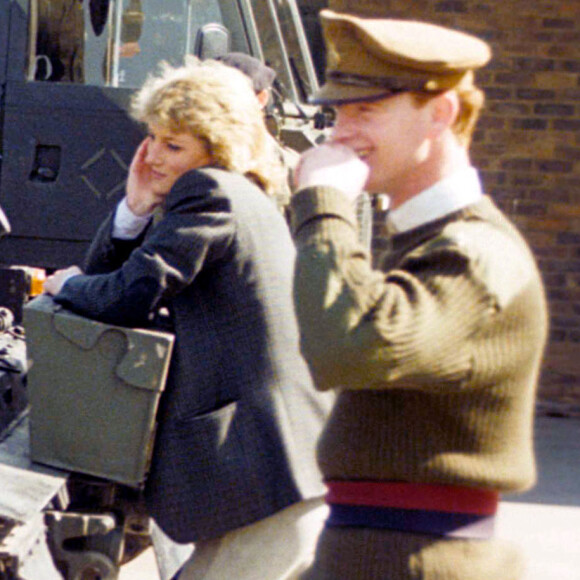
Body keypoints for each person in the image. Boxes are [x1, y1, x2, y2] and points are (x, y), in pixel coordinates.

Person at [43, 57, 334, 580]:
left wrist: (63, 285)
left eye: (173, 145)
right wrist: (134, 209)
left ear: (217, 148)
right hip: (275, 470)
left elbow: (128, 295)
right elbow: (126, 284)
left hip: (264, 471)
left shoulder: (211, 193)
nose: (152, 154)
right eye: (152, 137)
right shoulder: (239, 194)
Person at [290, 10, 548, 580]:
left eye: (368, 110)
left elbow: (348, 345)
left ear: (441, 114)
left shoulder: (476, 254)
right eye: (338, 112)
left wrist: (325, 206)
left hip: (423, 562)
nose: (341, 133)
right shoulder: (430, 242)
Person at [218, 51, 300, 214]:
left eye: (230, 97)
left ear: (261, 99)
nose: (220, 105)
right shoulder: (186, 156)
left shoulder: (291, 169)